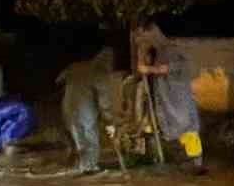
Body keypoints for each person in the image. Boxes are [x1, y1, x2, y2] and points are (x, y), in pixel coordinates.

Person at [134, 18, 204, 171]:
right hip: (169, 109)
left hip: (180, 107)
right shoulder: (158, 53)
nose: (143, 40)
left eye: (144, 36)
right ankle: (187, 169)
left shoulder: (172, 50)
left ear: (152, 33)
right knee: (178, 139)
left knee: (189, 136)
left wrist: (149, 69)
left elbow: (172, 68)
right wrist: (142, 52)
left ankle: (195, 167)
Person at [57, 47, 119, 173]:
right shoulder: (100, 72)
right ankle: (89, 169)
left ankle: (78, 168)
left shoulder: (75, 66)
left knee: (78, 142)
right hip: (84, 112)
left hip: (67, 108)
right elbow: (104, 103)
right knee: (90, 143)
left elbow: (58, 79)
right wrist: (110, 123)